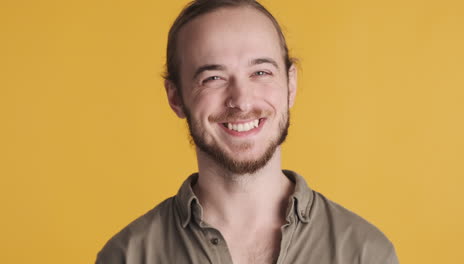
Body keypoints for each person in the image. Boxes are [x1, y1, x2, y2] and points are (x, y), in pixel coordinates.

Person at [96, 0, 399, 263]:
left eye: (261, 72)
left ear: (290, 85)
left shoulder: (365, 253)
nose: (241, 100)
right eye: (213, 77)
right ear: (176, 97)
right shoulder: (127, 256)